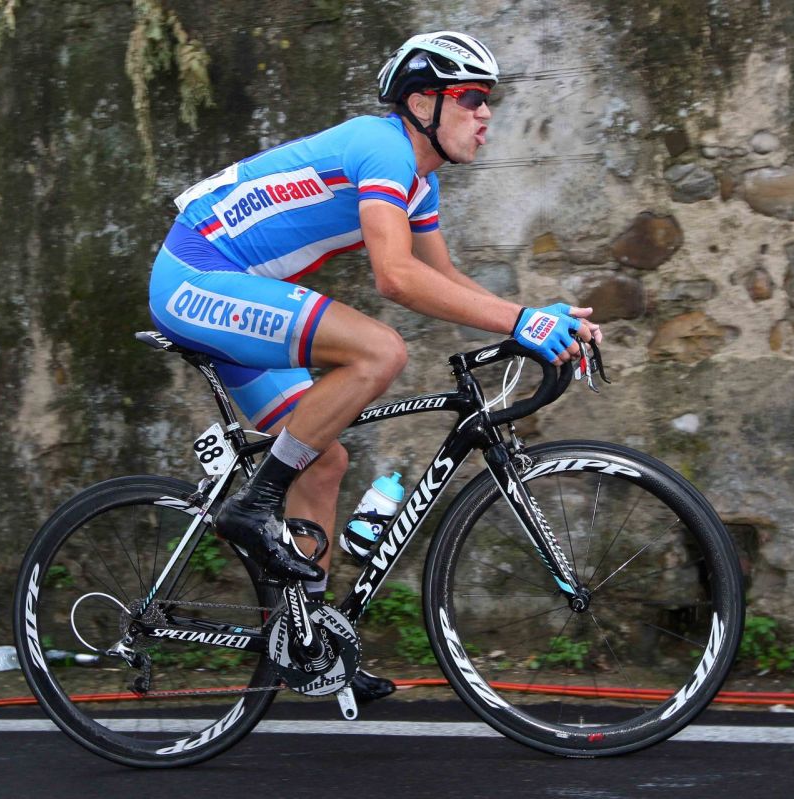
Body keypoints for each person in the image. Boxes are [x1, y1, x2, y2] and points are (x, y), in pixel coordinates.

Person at [149, 31, 600, 700]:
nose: (485, 114)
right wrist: (521, 322)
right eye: (471, 98)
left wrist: (531, 317)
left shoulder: (419, 181)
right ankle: (253, 506)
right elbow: (396, 278)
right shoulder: (383, 147)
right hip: (195, 278)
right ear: (422, 103)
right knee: (380, 349)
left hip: (234, 289)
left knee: (321, 460)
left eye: (488, 100)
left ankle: (308, 643)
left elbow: (444, 279)